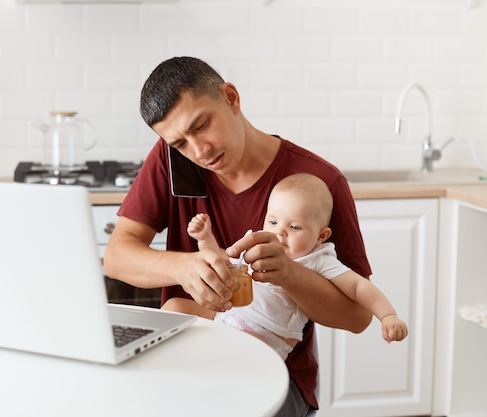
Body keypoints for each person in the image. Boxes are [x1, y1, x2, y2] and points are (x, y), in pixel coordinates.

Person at [103, 56, 373, 416]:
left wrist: (291, 275)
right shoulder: (174, 161)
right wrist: (184, 268)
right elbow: (117, 255)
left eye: (201, 126)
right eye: (180, 142)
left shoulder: (318, 183)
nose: (199, 151)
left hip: (275, 372)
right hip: (187, 358)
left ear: (230, 98)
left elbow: (358, 317)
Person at [162, 173, 408, 362]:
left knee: (224, 356)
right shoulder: (258, 242)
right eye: (273, 221)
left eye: (295, 227)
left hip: (266, 337)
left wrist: (387, 315)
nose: (279, 231)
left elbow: (359, 287)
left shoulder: (317, 259)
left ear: (321, 236)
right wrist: (205, 238)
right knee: (173, 307)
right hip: (227, 317)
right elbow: (222, 263)